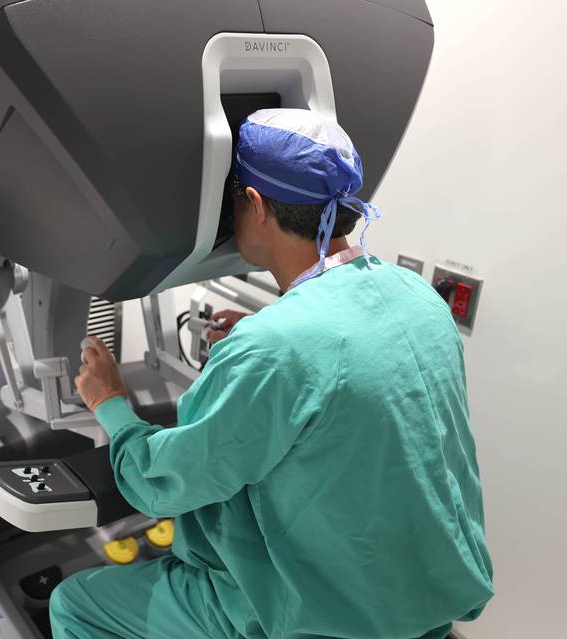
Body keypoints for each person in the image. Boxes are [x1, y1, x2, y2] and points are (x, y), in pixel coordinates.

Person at [49, 109, 493, 639]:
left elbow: (161, 483)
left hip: (311, 622)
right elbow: (349, 374)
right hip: (418, 608)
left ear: (256, 204)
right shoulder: (417, 296)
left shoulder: (272, 349)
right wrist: (264, 331)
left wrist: (111, 404)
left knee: (74, 603)